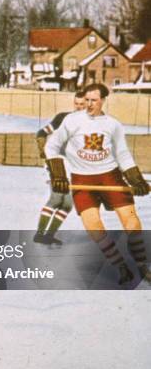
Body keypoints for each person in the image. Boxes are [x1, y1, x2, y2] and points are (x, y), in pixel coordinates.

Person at [45, 83, 151, 284]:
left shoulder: (113, 124)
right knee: (93, 226)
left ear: (103, 100)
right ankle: (120, 266)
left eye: (94, 100)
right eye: (86, 100)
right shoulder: (72, 120)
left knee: (132, 222)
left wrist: (136, 179)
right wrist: (58, 175)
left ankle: (142, 267)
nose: (89, 104)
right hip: (81, 179)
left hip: (110, 176)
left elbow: (122, 154)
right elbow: (52, 146)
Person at [33, 92, 86, 245]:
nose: (80, 107)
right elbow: (41, 133)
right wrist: (43, 149)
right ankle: (40, 234)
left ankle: (48, 235)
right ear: (74, 103)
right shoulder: (62, 118)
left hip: (73, 166)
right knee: (56, 198)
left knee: (67, 204)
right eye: (77, 104)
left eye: (83, 104)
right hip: (57, 162)